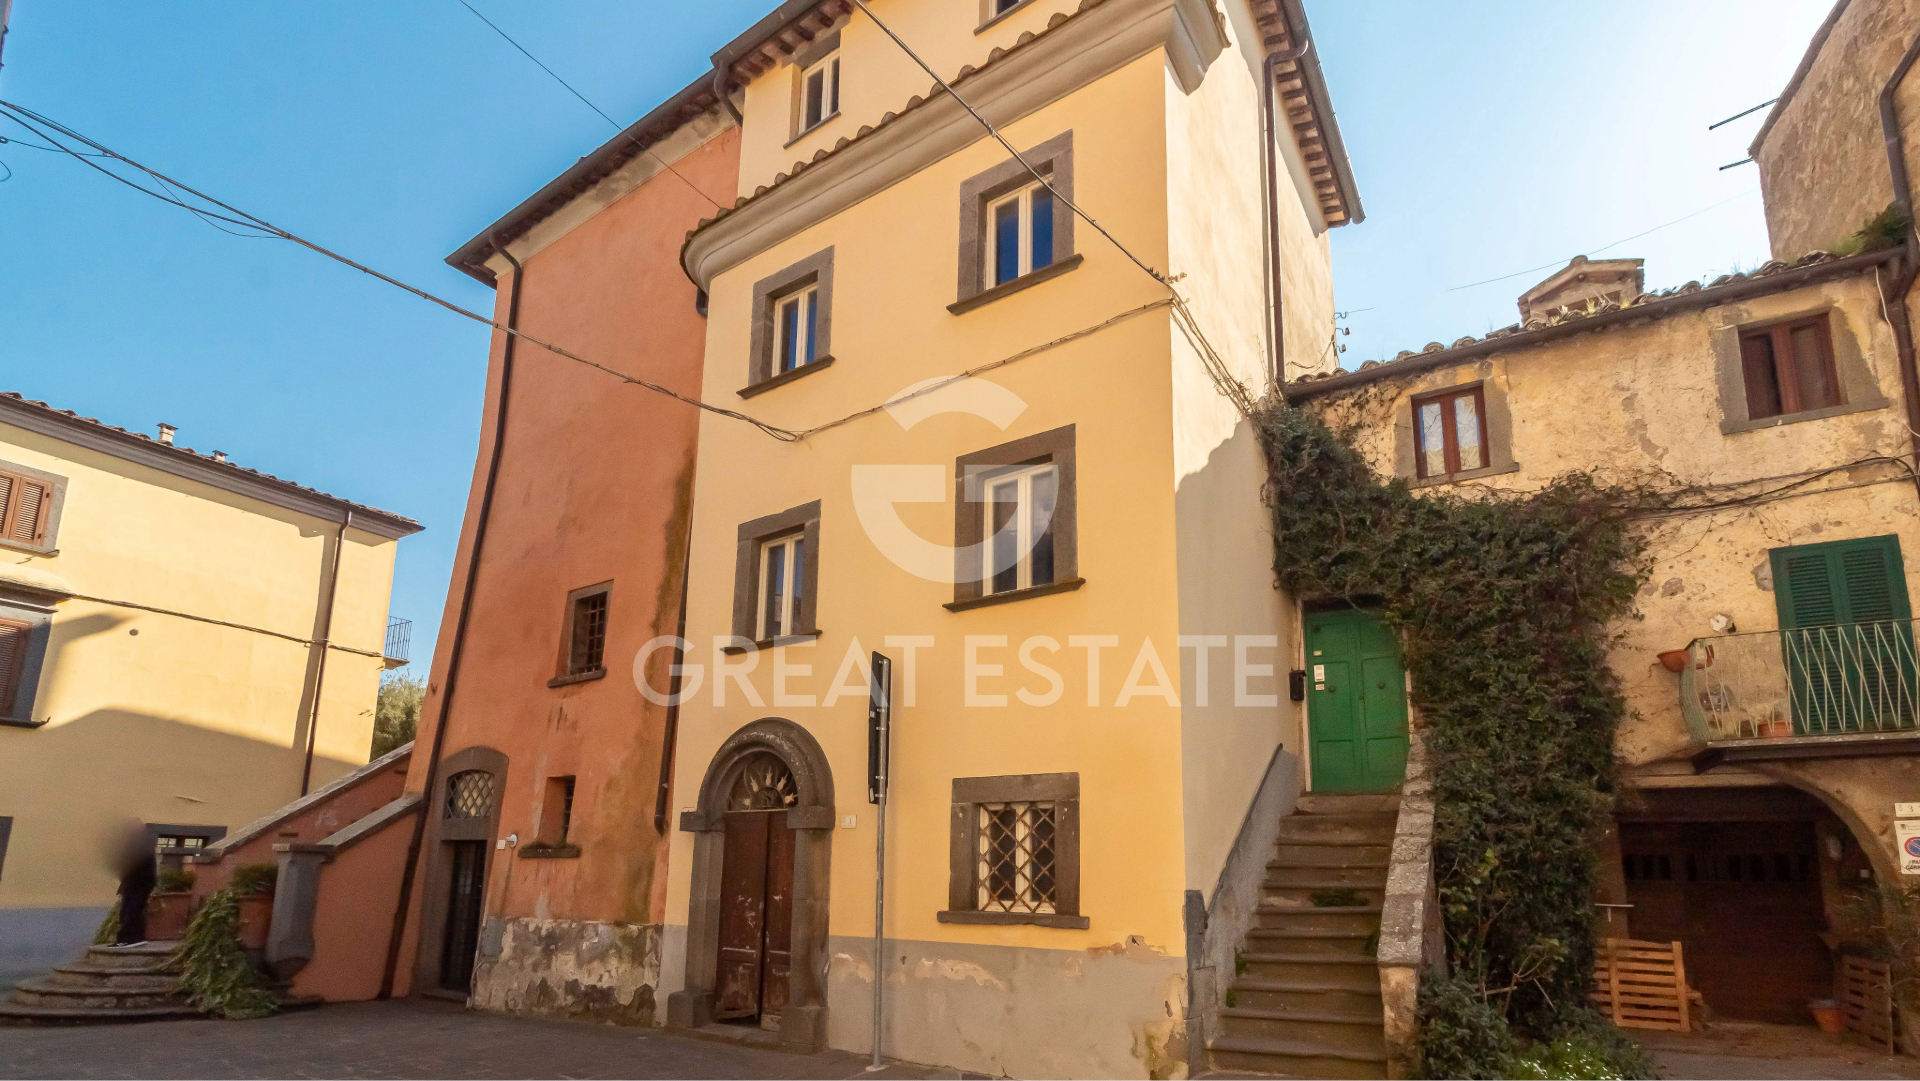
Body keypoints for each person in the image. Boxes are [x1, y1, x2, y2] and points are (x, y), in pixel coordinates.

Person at [103, 821, 155, 949]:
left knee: (130, 910)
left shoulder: (139, 844)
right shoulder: (141, 843)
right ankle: (137, 937)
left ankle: (128, 939)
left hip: (138, 881)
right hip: (137, 881)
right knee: (133, 909)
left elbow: (131, 864)